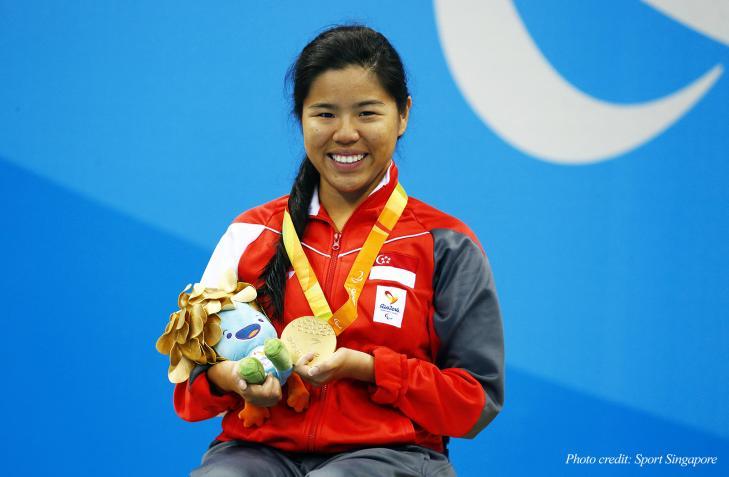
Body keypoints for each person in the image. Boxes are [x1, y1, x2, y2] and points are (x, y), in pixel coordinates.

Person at [173, 24, 504, 477]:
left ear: (403, 114)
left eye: (367, 113)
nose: (345, 134)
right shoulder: (252, 232)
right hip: (256, 451)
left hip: (395, 456)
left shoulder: (445, 243)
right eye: (325, 114)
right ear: (301, 117)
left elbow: (473, 403)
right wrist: (234, 380)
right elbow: (188, 388)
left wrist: (370, 369)